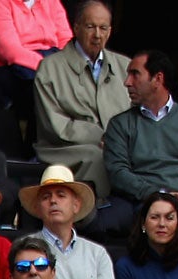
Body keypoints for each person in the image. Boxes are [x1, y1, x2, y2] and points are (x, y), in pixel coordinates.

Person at [104, 51, 178, 256]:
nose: (127, 82)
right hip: (143, 200)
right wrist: (158, 194)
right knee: (146, 221)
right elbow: (117, 172)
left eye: (135, 74)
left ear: (158, 79)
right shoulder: (120, 124)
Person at [34, 0, 128, 197]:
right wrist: (101, 136)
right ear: (76, 28)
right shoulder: (50, 68)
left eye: (103, 28)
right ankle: (97, 215)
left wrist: (122, 140)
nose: (97, 35)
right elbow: (56, 126)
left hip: (118, 144)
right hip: (64, 148)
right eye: (90, 26)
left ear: (110, 31)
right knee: (98, 157)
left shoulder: (125, 67)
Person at [23, 164, 117, 279]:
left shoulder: (96, 252)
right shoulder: (24, 247)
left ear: (76, 205)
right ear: (38, 208)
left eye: (61, 195)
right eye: (46, 197)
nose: (53, 201)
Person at [0, 0, 70, 117]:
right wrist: (49, 67)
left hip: (52, 60)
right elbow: (10, 51)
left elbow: (66, 40)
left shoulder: (52, 2)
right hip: (13, 67)